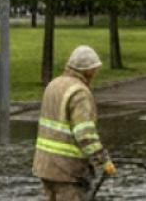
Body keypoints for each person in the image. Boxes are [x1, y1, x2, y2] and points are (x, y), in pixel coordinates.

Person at [32, 45, 114, 201]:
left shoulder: (53, 85)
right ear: (88, 70)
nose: (96, 73)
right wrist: (103, 160)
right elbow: (85, 135)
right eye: (95, 69)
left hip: (45, 167)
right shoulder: (79, 92)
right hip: (68, 171)